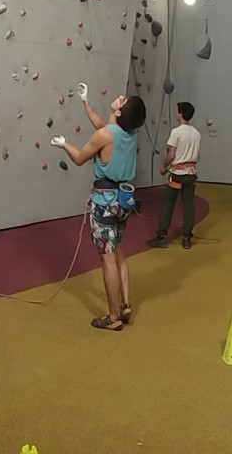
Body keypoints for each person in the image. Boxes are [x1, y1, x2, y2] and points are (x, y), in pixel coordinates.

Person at [52, 88, 146, 331]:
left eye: (123, 100)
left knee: (108, 259)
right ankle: (126, 305)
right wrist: (86, 103)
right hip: (124, 201)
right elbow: (105, 126)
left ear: (119, 111)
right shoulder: (130, 133)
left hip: (105, 202)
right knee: (119, 252)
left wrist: (64, 144)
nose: (120, 97)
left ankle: (113, 317)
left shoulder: (105, 135)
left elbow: (79, 158)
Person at [146, 102, 201, 250]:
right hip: (191, 174)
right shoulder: (196, 133)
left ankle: (161, 237)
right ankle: (187, 238)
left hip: (177, 175)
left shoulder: (176, 132)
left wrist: (163, 166)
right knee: (188, 205)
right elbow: (197, 156)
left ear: (180, 114)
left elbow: (171, 155)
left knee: (168, 204)